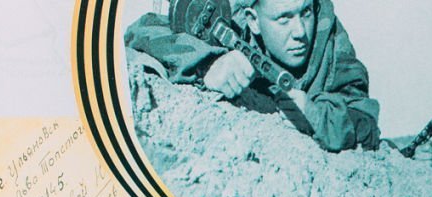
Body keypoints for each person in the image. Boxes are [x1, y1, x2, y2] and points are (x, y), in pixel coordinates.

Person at [126, 0, 381, 152]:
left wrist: (316, 116)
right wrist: (208, 62)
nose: (300, 32)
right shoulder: (230, 19)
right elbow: (143, 29)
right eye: (283, 19)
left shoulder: (329, 34)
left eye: (305, 13)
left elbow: (365, 120)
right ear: (254, 20)